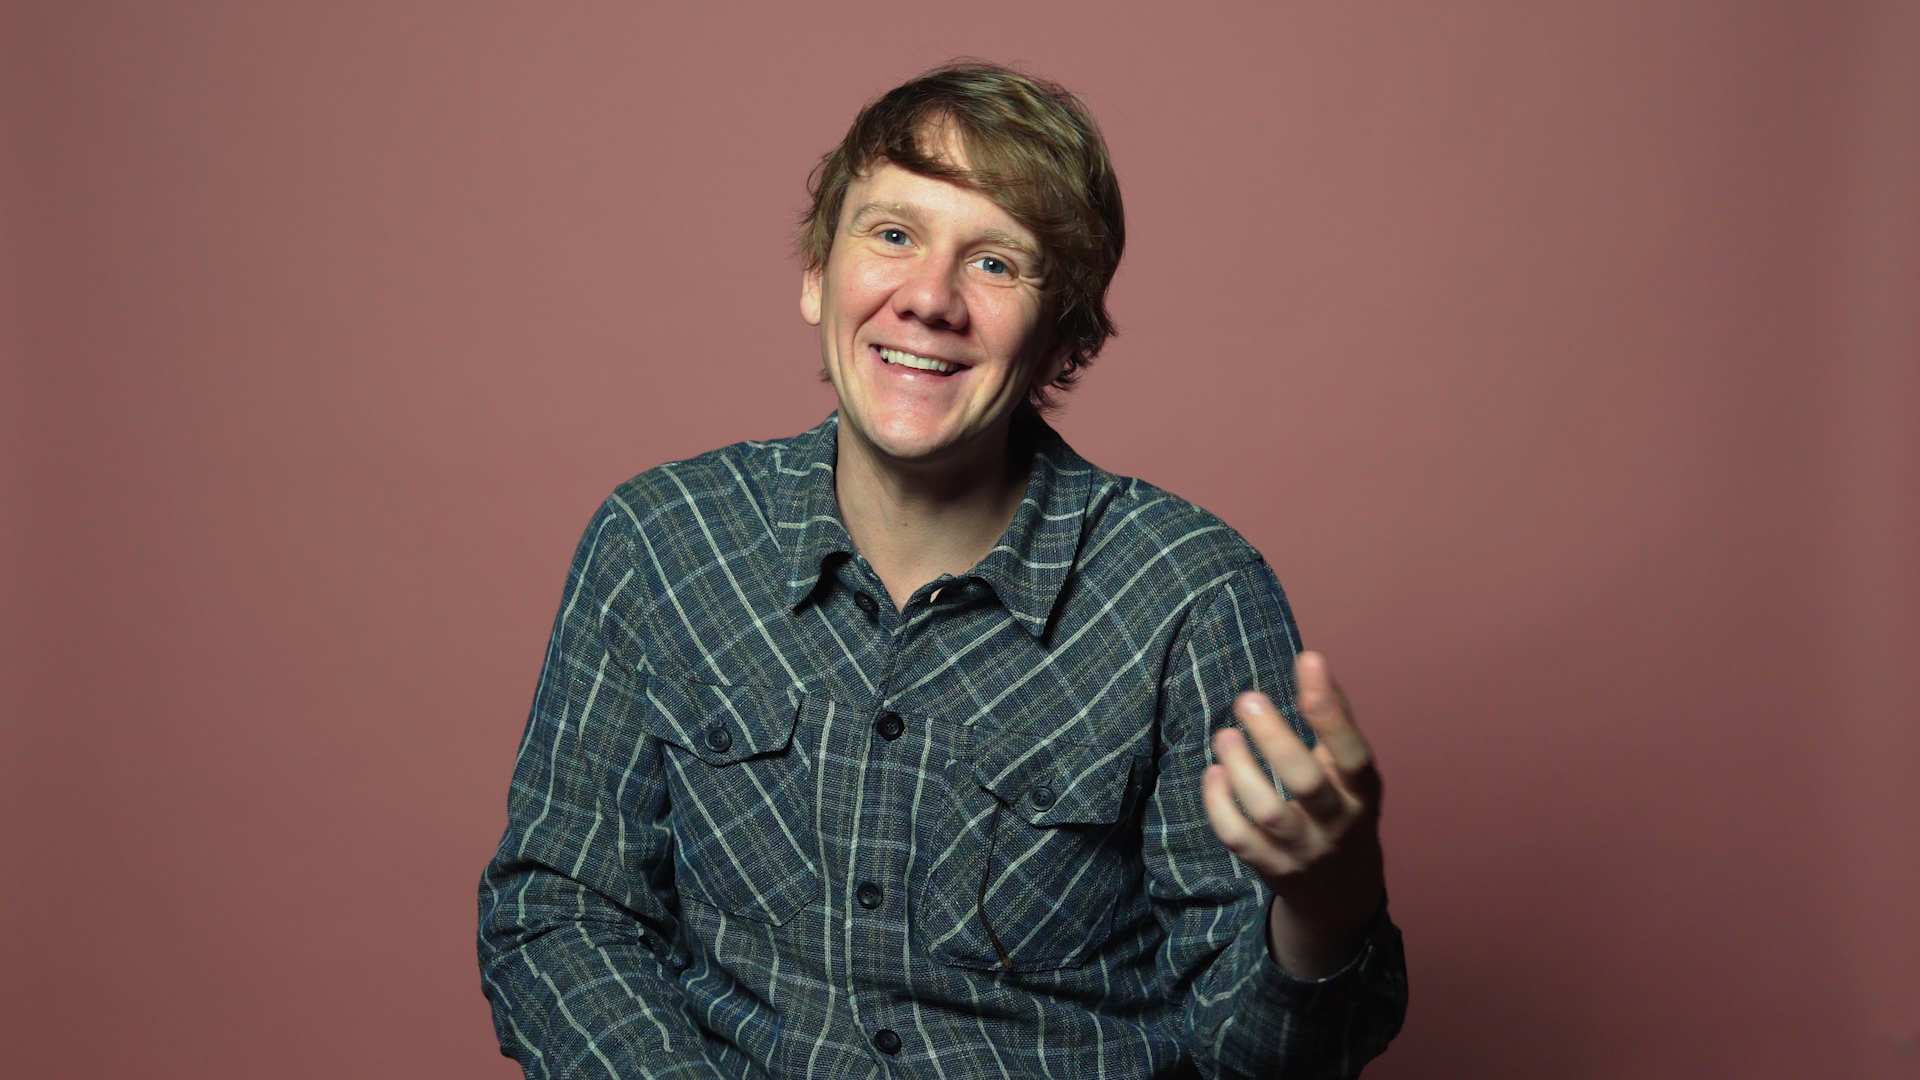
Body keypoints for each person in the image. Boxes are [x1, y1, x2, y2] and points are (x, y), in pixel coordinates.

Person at [477, 60, 1407, 1078]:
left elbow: (1264, 1059)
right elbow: (557, 914)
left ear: (1064, 339)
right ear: (814, 273)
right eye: (891, 235)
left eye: (999, 264)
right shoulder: (662, 541)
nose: (929, 299)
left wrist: (1327, 905)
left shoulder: (1189, 594)